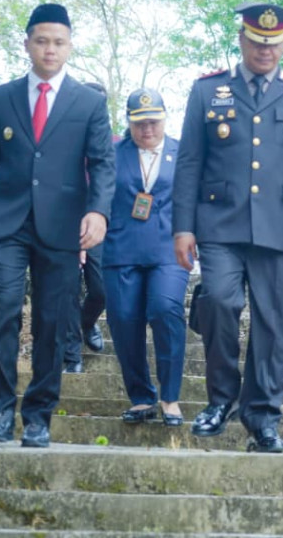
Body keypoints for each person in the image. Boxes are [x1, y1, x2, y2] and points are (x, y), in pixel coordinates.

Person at [172, 2, 283, 453]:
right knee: (219, 303)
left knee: (272, 324)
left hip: (281, 227)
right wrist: (182, 228)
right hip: (219, 222)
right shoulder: (208, 91)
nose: (267, 51)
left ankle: (262, 416)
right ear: (242, 40)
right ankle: (221, 400)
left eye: (275, 44)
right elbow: (189, 162)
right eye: (259, 42)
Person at [0, 3, 114, 448]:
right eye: (41, 40)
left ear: (69, 46)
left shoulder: (89, 102)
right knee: (3, 311)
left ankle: (39, 415)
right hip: (5, 222)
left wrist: (98, 212)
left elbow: (103, 166)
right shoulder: (0, 97)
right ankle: (1, 412)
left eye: (58, 42)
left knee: (52, 320)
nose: (50, 49)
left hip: (63, 228)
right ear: (27, 43)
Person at [102, 88, 189, 426]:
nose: (147, 130)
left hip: (169, 249)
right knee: (123, 319)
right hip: (121, 248)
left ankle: (170, 397)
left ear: (165, 119)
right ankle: (141, 397)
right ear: (128, 123)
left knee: (165, 308)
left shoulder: (183, 154)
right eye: (139, 124)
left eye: (153, 122)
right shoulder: (112, 153)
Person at [63, 80, 112, 374]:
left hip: (99, 227)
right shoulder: (61, 140)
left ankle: (87, 323)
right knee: (66, 288)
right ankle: (71, 356)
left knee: (101, 290)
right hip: (60, 225)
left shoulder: (115, 144)